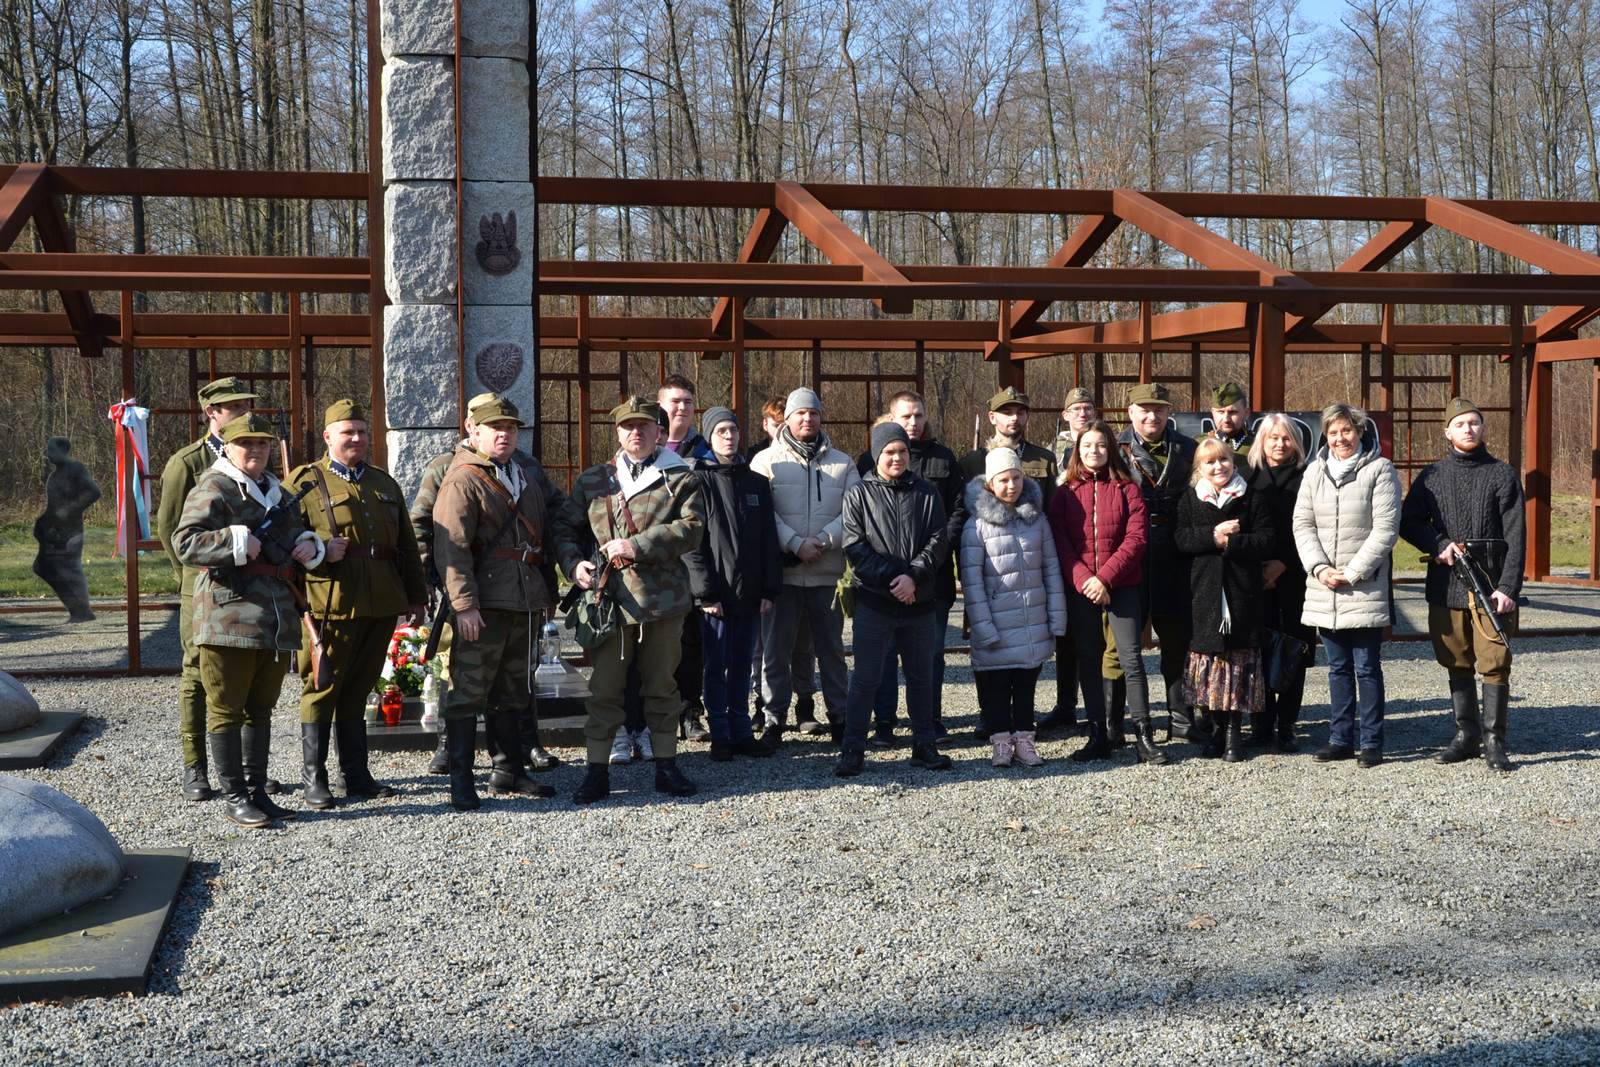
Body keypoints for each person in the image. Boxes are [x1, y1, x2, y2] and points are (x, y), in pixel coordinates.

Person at [173, 412, 324, 828]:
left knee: (261, 710)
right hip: (227, 615)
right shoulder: (215, 486)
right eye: (246, 443)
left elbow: (295, 534)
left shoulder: (275, 491)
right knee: (226, 709)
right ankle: (235, 795)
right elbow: (185, 542)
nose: (256, 450)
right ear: (229, 447)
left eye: (262, 443)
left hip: (275, 618)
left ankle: (258, 790)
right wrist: (237, 539)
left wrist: (308, 546)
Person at [555, 396, 706, 804]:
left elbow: (692, 530)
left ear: (659, 431)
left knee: (661, 688)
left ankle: (666, 766)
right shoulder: (594, 480)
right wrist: (573, 567)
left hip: (664, 600)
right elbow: (565, 529)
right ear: (617, 432)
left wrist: (637, 544)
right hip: (610, 601)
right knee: (605, 689)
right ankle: (597, 770)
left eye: (644, 425)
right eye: (627, 426)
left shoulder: (680, 477)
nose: (635, 433)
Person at [410, 393, 566, 776]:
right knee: (465, 682)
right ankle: (455, 763)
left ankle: (510, 767)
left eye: (511, 427)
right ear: (472, 428)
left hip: (522, 596)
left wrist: (555, 578)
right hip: (475, 597)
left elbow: (552, 520)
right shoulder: (450, 471)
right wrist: (445, 591)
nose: (505, 434)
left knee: (513, 687)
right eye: (496, 426)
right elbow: (439, 535)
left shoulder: (526, 469)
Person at [288, 399, 427, 809]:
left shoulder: (384, 484)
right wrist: (317, 550)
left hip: (381, 601)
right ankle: (315, 779)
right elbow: (286, 540)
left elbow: (405, 544)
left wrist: (416, 597)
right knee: (321, 688)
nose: (357, 439)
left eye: (363, 432)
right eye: (348, 432)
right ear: (328, 436)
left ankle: (358, 776)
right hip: (331, 601)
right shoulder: (304, 482)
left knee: (360, 689)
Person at [1399, 397, 1524, 772]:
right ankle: (1466, 736)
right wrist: (1437, 544)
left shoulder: (1502, 475)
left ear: (1483, 428)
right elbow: (1408, 521)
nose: (1468, 429)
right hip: (1446, 585)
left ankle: (1494, 740)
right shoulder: (1431, 476)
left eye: (1474, 422)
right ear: (1447, 431)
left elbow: (1516, 535)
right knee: (1455, 658)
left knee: (1495, 661)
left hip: (1490, 587)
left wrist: (1508, 588)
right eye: (1460, 424)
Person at [156, 375, 260, 802]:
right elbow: (170, 528)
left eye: (245, 404)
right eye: (233, 406)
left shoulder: (258, 456)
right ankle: (195, 765)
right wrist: (194, 574)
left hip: (252, 587)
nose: (241, 411)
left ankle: (246, 773)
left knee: (249, 676)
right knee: (198, 672)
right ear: (211, 412)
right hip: (202, 583)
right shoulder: (189, 462)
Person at [835, 423, 952, 777]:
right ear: (876, 454)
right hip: (876, 602)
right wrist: (892, 580)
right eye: (889, 452)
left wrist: (913, 576)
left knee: (920, 677)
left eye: (901, 451)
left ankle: (924, 745)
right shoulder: (858, 494)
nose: (896, 457)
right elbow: (855, 546)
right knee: (866, 678)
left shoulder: (928, 492)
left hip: (919, 602)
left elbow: (938, 539)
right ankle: (853, 749)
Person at [1292, 403, 1401, 768]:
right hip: (1325, 586)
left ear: (1360, 432)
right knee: (1336, 667)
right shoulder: (1313, 472)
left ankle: (1372, 741)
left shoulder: (1380, 470)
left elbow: (1386, 529)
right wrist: (1320, 568)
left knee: (1366, 666)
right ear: (1326, 435)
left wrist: (1353, 572)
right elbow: (1302, 524)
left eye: (1347, 431)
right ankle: (1340, 738)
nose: (1340, 438)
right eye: (1334, 432)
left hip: (1363, 586)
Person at [853, 390, 965, 747]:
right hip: (880, 588)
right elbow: (858, 536)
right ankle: (883, 723)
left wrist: (918, 572)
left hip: (930, 581)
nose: (913, 423)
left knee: (928, 659)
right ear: (891, 420)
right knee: (881, 660)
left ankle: (929, 725)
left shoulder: (943, 459)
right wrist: (892, 578)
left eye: (918, 415)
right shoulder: (864, 471)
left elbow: (952, 517)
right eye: (905, 417)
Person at [750, 388, 859, 750]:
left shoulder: (843, 464)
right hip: (783, 575)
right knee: (775, 651)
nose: (807, 419)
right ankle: (773, 720)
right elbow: (763, 516)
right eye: (800, 414)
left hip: (828, 572)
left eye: (813, 413)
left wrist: (826, 540)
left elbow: (856, 514)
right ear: (788, 418)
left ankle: (840, 718)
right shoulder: (765, 462)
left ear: (820, 417)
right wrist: (795, 543)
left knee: (831, 651)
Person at [1050, 420, 1164, 764]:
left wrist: (1107, 579)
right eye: (1087, 446)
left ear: (1110, 449)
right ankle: (1097, 733)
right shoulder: (1065, 493)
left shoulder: (1128, 489)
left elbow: (1137, 539)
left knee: (1131, 659)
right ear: (1077, 450)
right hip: (1082, 587)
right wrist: (1087, 579)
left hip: (1122, 584)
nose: (1093, 451)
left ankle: (1143, 735)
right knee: (1088, 660)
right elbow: (1060, 541)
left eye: (1100, 445)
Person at [683, 406, 780, 760]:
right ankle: (720, 732)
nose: (729, 436)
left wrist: (769, 589)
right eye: (721, 430)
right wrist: (705, 592)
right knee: (715, 666)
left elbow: (770, 539)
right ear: (710, 436)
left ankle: (741, 731)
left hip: (751, 593)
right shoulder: (697, 481)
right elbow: (691, 544)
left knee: (742, 665)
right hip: (716, 596)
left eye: (733, 430)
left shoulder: (756, 482)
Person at [960, 448, 1066, 767]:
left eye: (1016, 478)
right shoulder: (975, 527)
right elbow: (972, 583)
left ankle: (1024, 740)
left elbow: (1051, 569)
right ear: (990, 484)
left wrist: (1056, 618)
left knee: (1025, 686)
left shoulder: (1038, 521)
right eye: (1003, 480)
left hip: (1031, 620)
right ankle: (1001, 743)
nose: (1011, 485)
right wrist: (983, 627)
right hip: (995, 622)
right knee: (995, 688)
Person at [1175, 438, 1276, 762]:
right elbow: (1180, 539)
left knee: (1236, 664)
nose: (1219, 467)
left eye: (1223, 461)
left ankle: (1234, 734)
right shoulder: (1190, 499)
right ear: (1199, 468)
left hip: (1241, 593)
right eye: (1210, 462)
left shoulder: (1252, 497)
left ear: (1232, 462)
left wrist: (1233, 543)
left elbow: (1267, 540)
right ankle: (1217, 732)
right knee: (1210, 667)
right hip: (1203, 594)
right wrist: (1212, 536)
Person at [1119, 382, 1200, 743]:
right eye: (1145, 409)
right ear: (1131, 413)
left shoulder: (1188, 448)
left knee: (1177, 639)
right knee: (1122, 645)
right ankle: (1115, 722)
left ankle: (1181, 718)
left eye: (1160, 409)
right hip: (1131, 550)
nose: (1153, 416)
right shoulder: (1115, 450)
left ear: (1170, 412)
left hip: (1175, 550)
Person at [1245, 413, 1315, 752]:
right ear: (1261, 441)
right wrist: (1259, 569)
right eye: (1272, 437)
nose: (1279, 443)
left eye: (1286, 438)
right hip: (1253, 579)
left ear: (1296, 444)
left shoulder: (1309, 478)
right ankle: (1260, 725)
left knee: (1292, 651)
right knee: (1255, 650)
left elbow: (1314, 529)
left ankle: (1287, 725)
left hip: (1295, 578)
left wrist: (1283, 564)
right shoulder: (1246, 478)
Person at [1040, 386, 1100, 736]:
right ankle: (1066, 704)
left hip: (1099, 550)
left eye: (1087, 407)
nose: (1081, 413)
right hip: (1061, 548)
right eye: (1075, 408)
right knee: (1066, 635)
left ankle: (1104, 707)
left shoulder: (1108, 446)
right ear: (1065, 415)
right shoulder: (1050, 455)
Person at [656, 373, 712, 742]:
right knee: (655, 646)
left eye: (688, 402)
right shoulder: (643, 449)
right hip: (654, 566)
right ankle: (652, 718)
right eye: (675, 401)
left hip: (696, 563)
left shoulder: (708, 453)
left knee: (692, 643)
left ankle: (691, 712)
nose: (682, 407)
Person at [32, 436, 101, 622]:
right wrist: (42, 521)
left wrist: (69, 510)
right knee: (43, 567)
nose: (47, 454)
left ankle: (81, 611)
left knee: (68, 569)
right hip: (54, 531)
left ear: (63, 450)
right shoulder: (56, 474)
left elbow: (94, 492)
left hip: (69, 531)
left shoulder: (76, 469)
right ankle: (79, 610)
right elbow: (53, 505)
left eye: (51, 450)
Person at [959, 386, 1058, 507]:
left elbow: (1052, 509)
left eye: (1020, 413)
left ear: (1027, 416)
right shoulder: (973, 461)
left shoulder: (1044, 459)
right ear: (992, 417)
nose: (1015, 418)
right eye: (1007, 413)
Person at [1198, 382, 1255, 464]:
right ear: (1213, 413)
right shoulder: (1199, 444)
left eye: (1232, 412)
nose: (1226, 419)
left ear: (1246, 413)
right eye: (1220, 412)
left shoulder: (1258, 445)